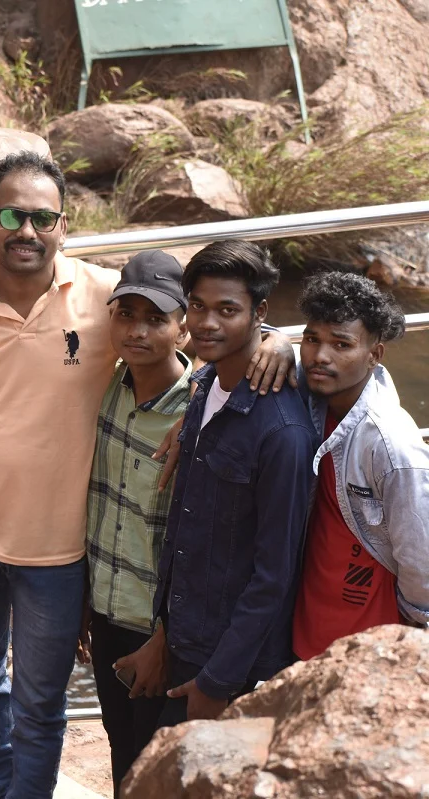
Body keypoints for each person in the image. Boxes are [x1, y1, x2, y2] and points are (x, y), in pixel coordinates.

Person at [0, 151, 295, 799]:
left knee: (39, 700)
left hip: (59, 554)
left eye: (42, 217)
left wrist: (276, 337)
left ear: (64, 225)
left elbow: (193, 317)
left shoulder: (103, 299)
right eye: (11, 214)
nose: (25, 230)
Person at [152, 240, 317, 727]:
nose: (207, 324)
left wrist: (218, 681)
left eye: (228, 310)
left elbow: (275, 573)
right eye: (198, 307)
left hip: (233, 665)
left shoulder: (283, 432)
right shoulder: (205, 385)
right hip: (186, 637)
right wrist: (163, 632)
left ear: (259, 312)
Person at [84, 252, 191, 796]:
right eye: (126, 315)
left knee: (159, 760)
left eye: (156, 319)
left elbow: (200, 543)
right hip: (106, 610)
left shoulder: (203, 409)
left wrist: (165, 637)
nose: (139, 331)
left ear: (183, 327)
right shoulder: (106, 388)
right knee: (120, 743)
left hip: (161, 625)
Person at [291, 271, 429, 659]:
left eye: (342, 344)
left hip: (368, 639)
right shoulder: (311, 398)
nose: (320, 356)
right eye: (312, 339)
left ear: (374, 354)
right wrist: (273, 343)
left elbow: (420, 559)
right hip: (306, 625)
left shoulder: (391, 444)